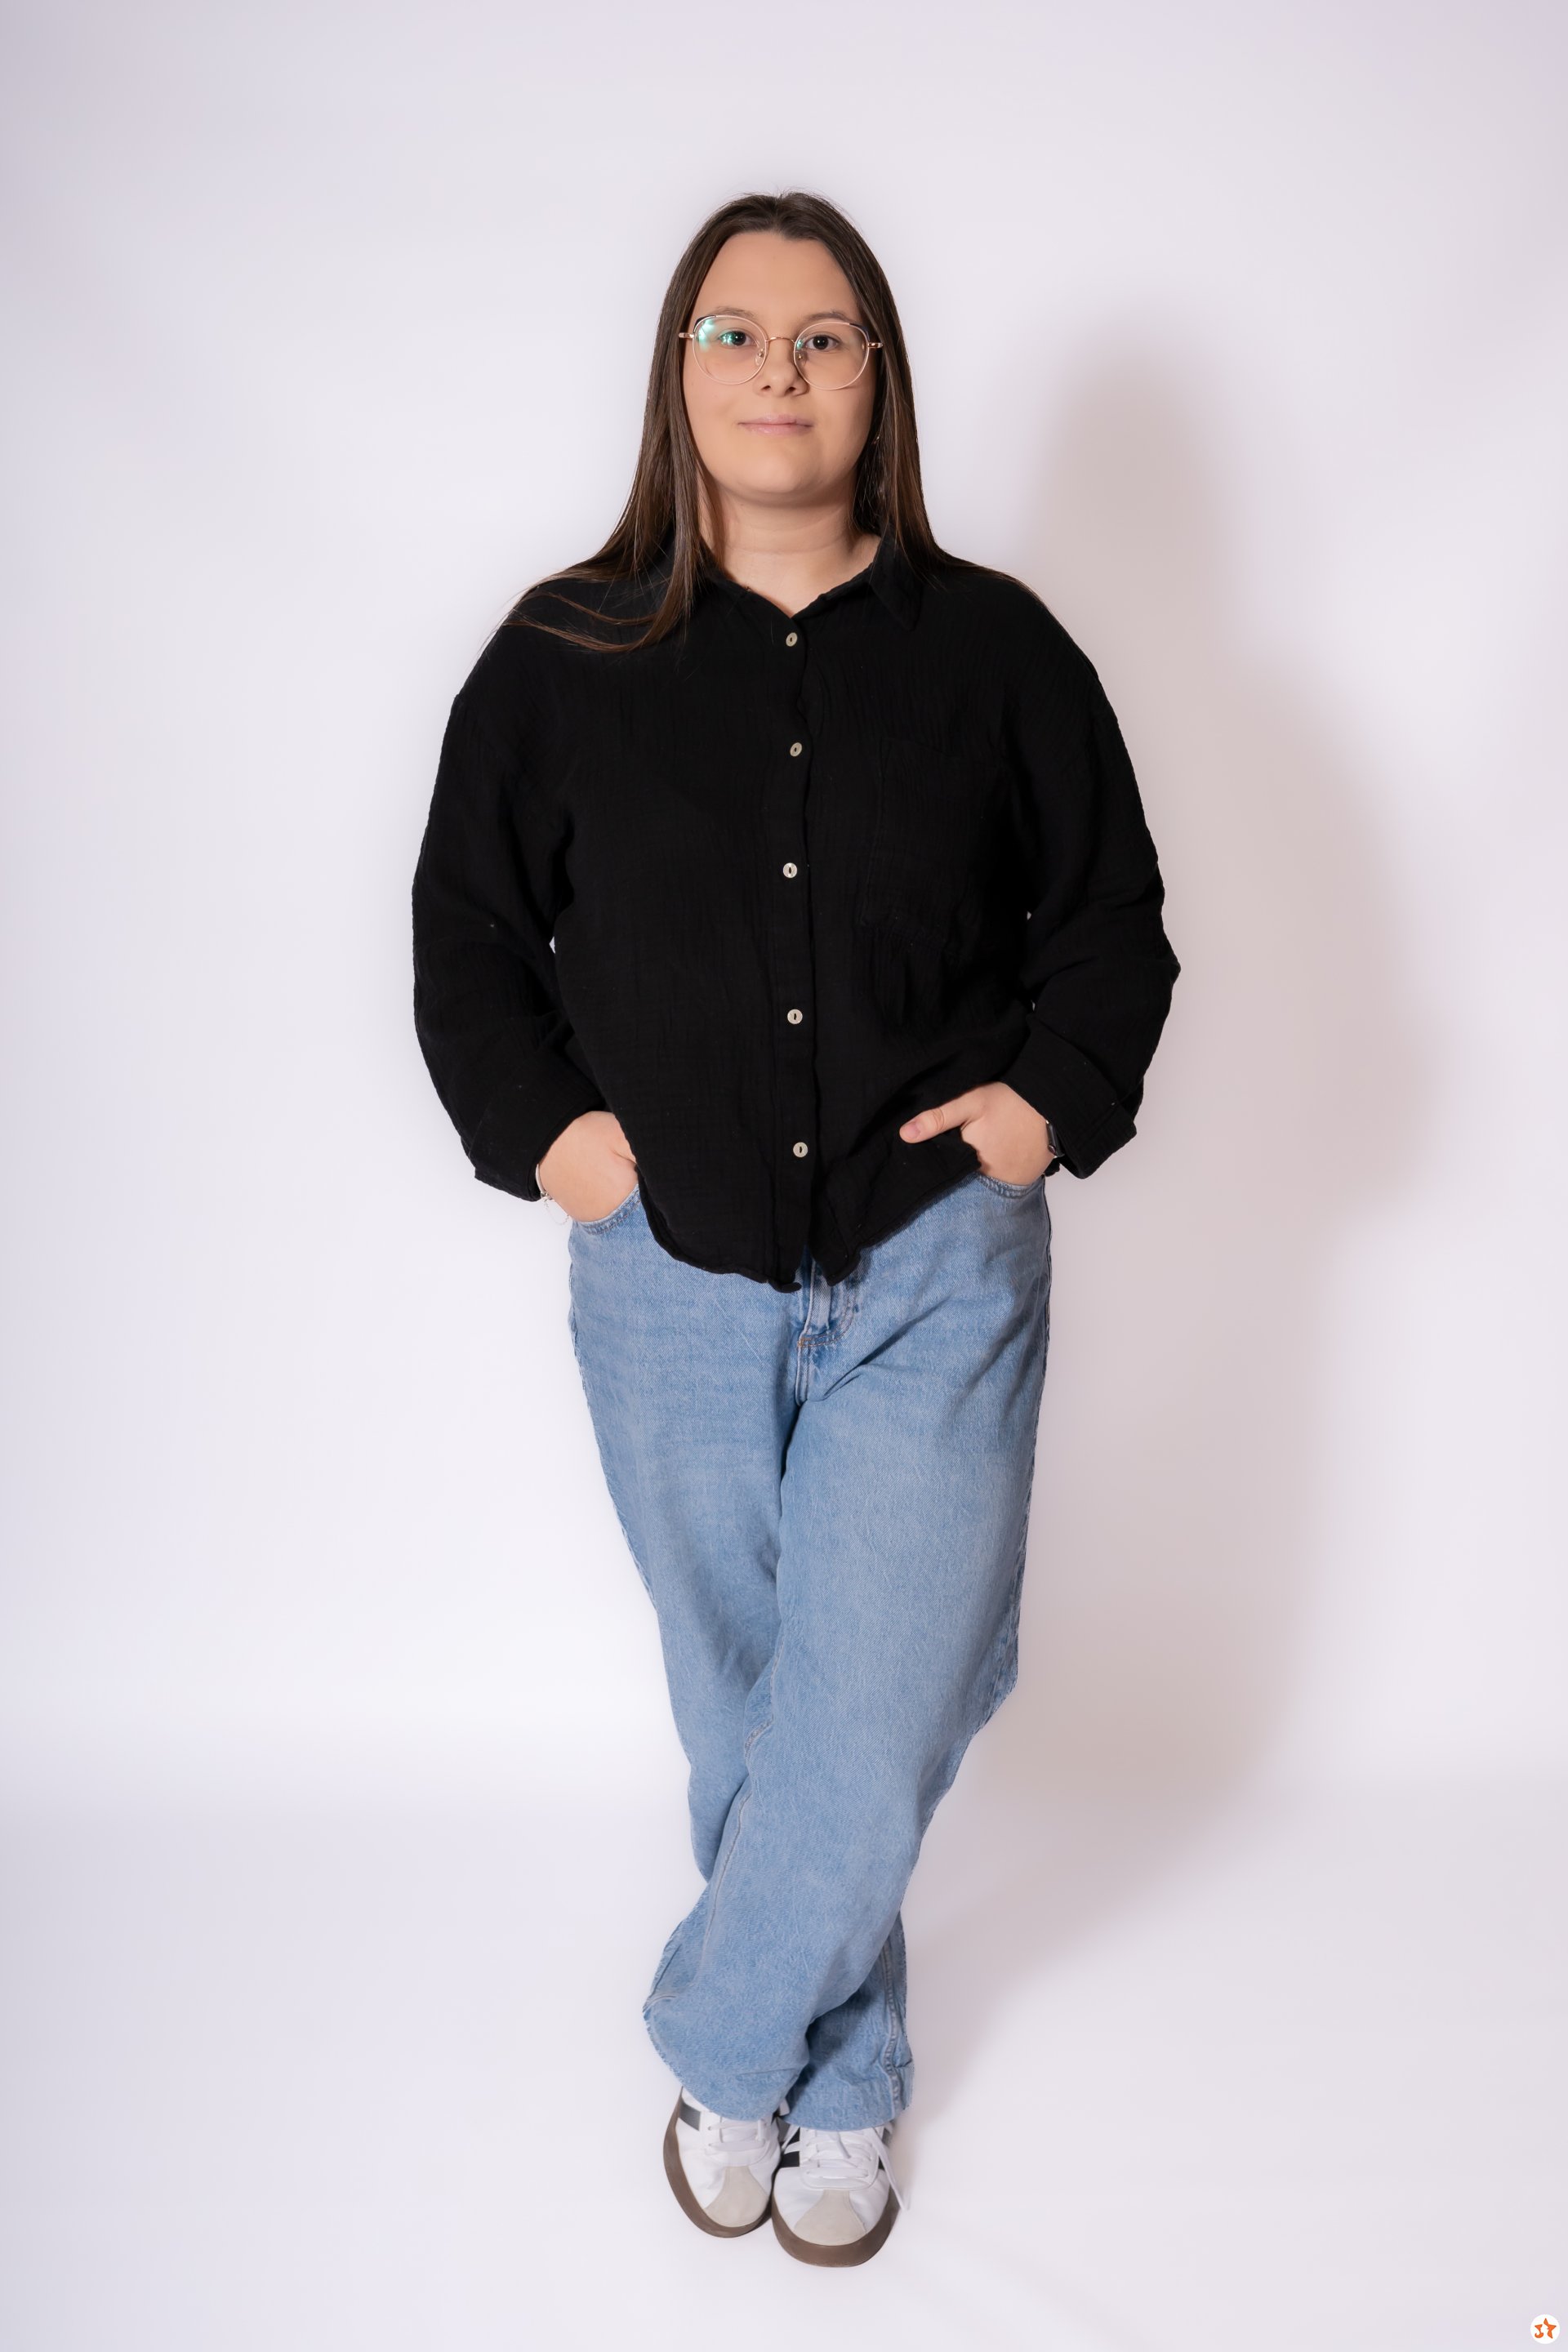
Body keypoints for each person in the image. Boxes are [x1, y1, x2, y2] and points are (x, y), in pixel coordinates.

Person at [412, 189, 1178, 2267]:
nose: (779, 372)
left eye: (823, 337)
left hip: (936, 1264)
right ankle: (844, 2091)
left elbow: (1113, 922)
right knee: (751, 1696)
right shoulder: (559, 657)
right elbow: (468, 939)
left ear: (878, 379)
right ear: (679, 373)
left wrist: (1040, 1110)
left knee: (884, 1689)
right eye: (737, 335)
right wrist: (561, 1145)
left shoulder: (997, 651)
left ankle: (719, 2042)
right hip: (665, 1274)